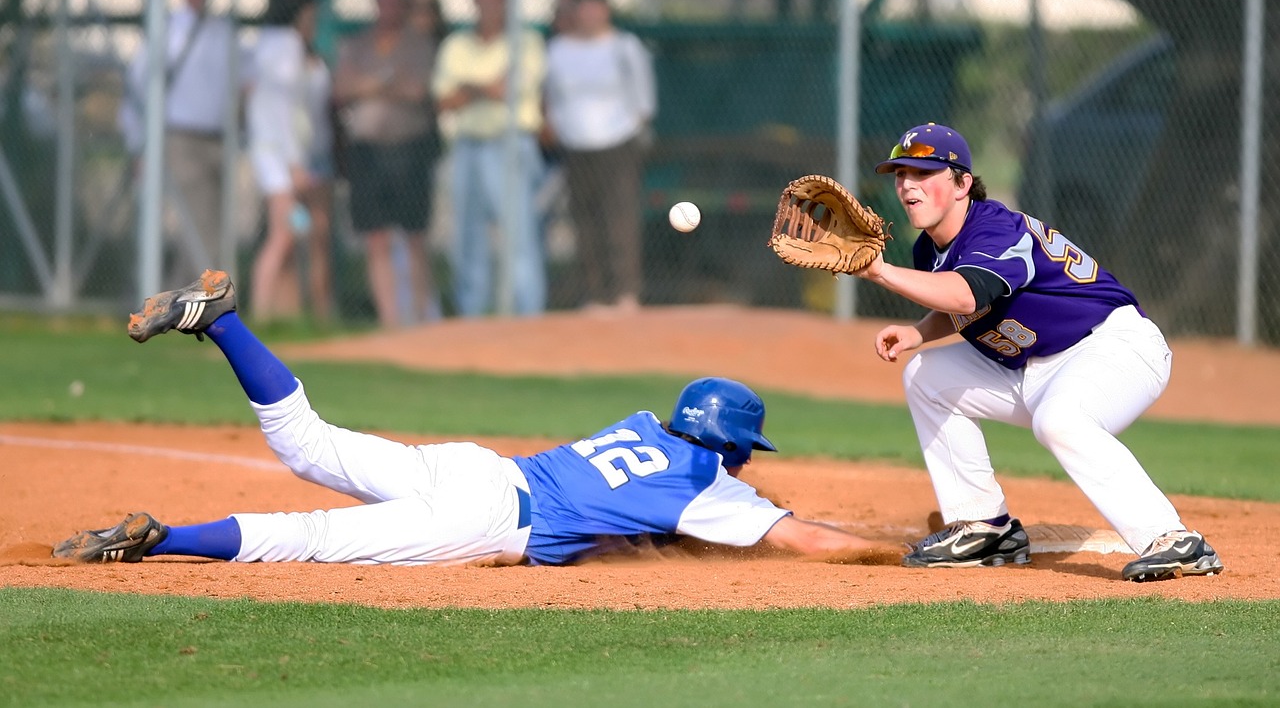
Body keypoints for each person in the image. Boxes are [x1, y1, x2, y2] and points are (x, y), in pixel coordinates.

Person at [52, 270, 888, 568]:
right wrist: (895, 554)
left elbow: (644, 513)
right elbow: (804, 539)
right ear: (732, 448)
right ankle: (161, 539)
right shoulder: (710, 489)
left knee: (305, 444)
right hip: (487, 516)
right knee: (308, 536)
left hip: (476, 467)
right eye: (744, 453)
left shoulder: (642, 425)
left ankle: (223, 319)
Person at [857, 122, 1224, 583]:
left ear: (962, 184)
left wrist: (879, 273)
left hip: (1114, 346)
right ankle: (985, 528)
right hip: (1035, 366)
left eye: (923, 172)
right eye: (900, 174)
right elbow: (968, 304)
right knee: (925, 376)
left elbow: (970, 294)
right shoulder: (928, 249)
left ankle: (1173, 540)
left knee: (1061, 420)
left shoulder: (996, 229)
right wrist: (919, 333)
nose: (907, 184)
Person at [120, 0, 247, 285]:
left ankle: (184, 299)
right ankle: (202, 302)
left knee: (213, 225)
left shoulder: (223, 31)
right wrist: (139, 144)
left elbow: (241, 84)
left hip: (220, 138)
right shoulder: (168, 30)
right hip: (181, 138)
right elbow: (137, 89)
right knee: (199, 225)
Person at [433, 0, 547, 317]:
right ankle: (472, 318)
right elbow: (445, 100)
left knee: (518, 236)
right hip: (467, 146)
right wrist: (484, 87)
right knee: (467, 238)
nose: (488, 5)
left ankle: (527, 317)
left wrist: (468, 88)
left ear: (507, 3)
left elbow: (508, 90)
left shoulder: (526, 41)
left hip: (509, 145)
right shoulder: (456, 45)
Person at [543, 0, 656, 314]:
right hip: (575, 146)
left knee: (619, 219)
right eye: (583, 7)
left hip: (618, 144)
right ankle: (594, 296)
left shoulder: (625, 47)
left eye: (596, 6)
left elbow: (643, 101)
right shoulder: (559, 50)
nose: (589, 14)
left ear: (605, 9)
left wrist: (630, 130)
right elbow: (551, 99)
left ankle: (625, 293)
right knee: (584, 222)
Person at [331, 0, 438, 328]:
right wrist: (385, 81)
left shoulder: (419, 44)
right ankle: (391, 322)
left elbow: (416, 90)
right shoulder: (358, 43)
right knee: (375, 237)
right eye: (382, 0)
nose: (388, 7)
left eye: (395, 0)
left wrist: (368, 85)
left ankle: (421, 319)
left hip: (408, 151)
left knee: (414, 237)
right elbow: (342, 88)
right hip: (367, 154)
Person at [245, 0, 334, 323]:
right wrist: (295, 164)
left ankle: (285, 313)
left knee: (296, 231)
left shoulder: (267, 44)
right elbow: (283, 111)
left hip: (277, 154)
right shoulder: (286, 46)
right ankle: (261, 313)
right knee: (284, 236)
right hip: (278, 158)